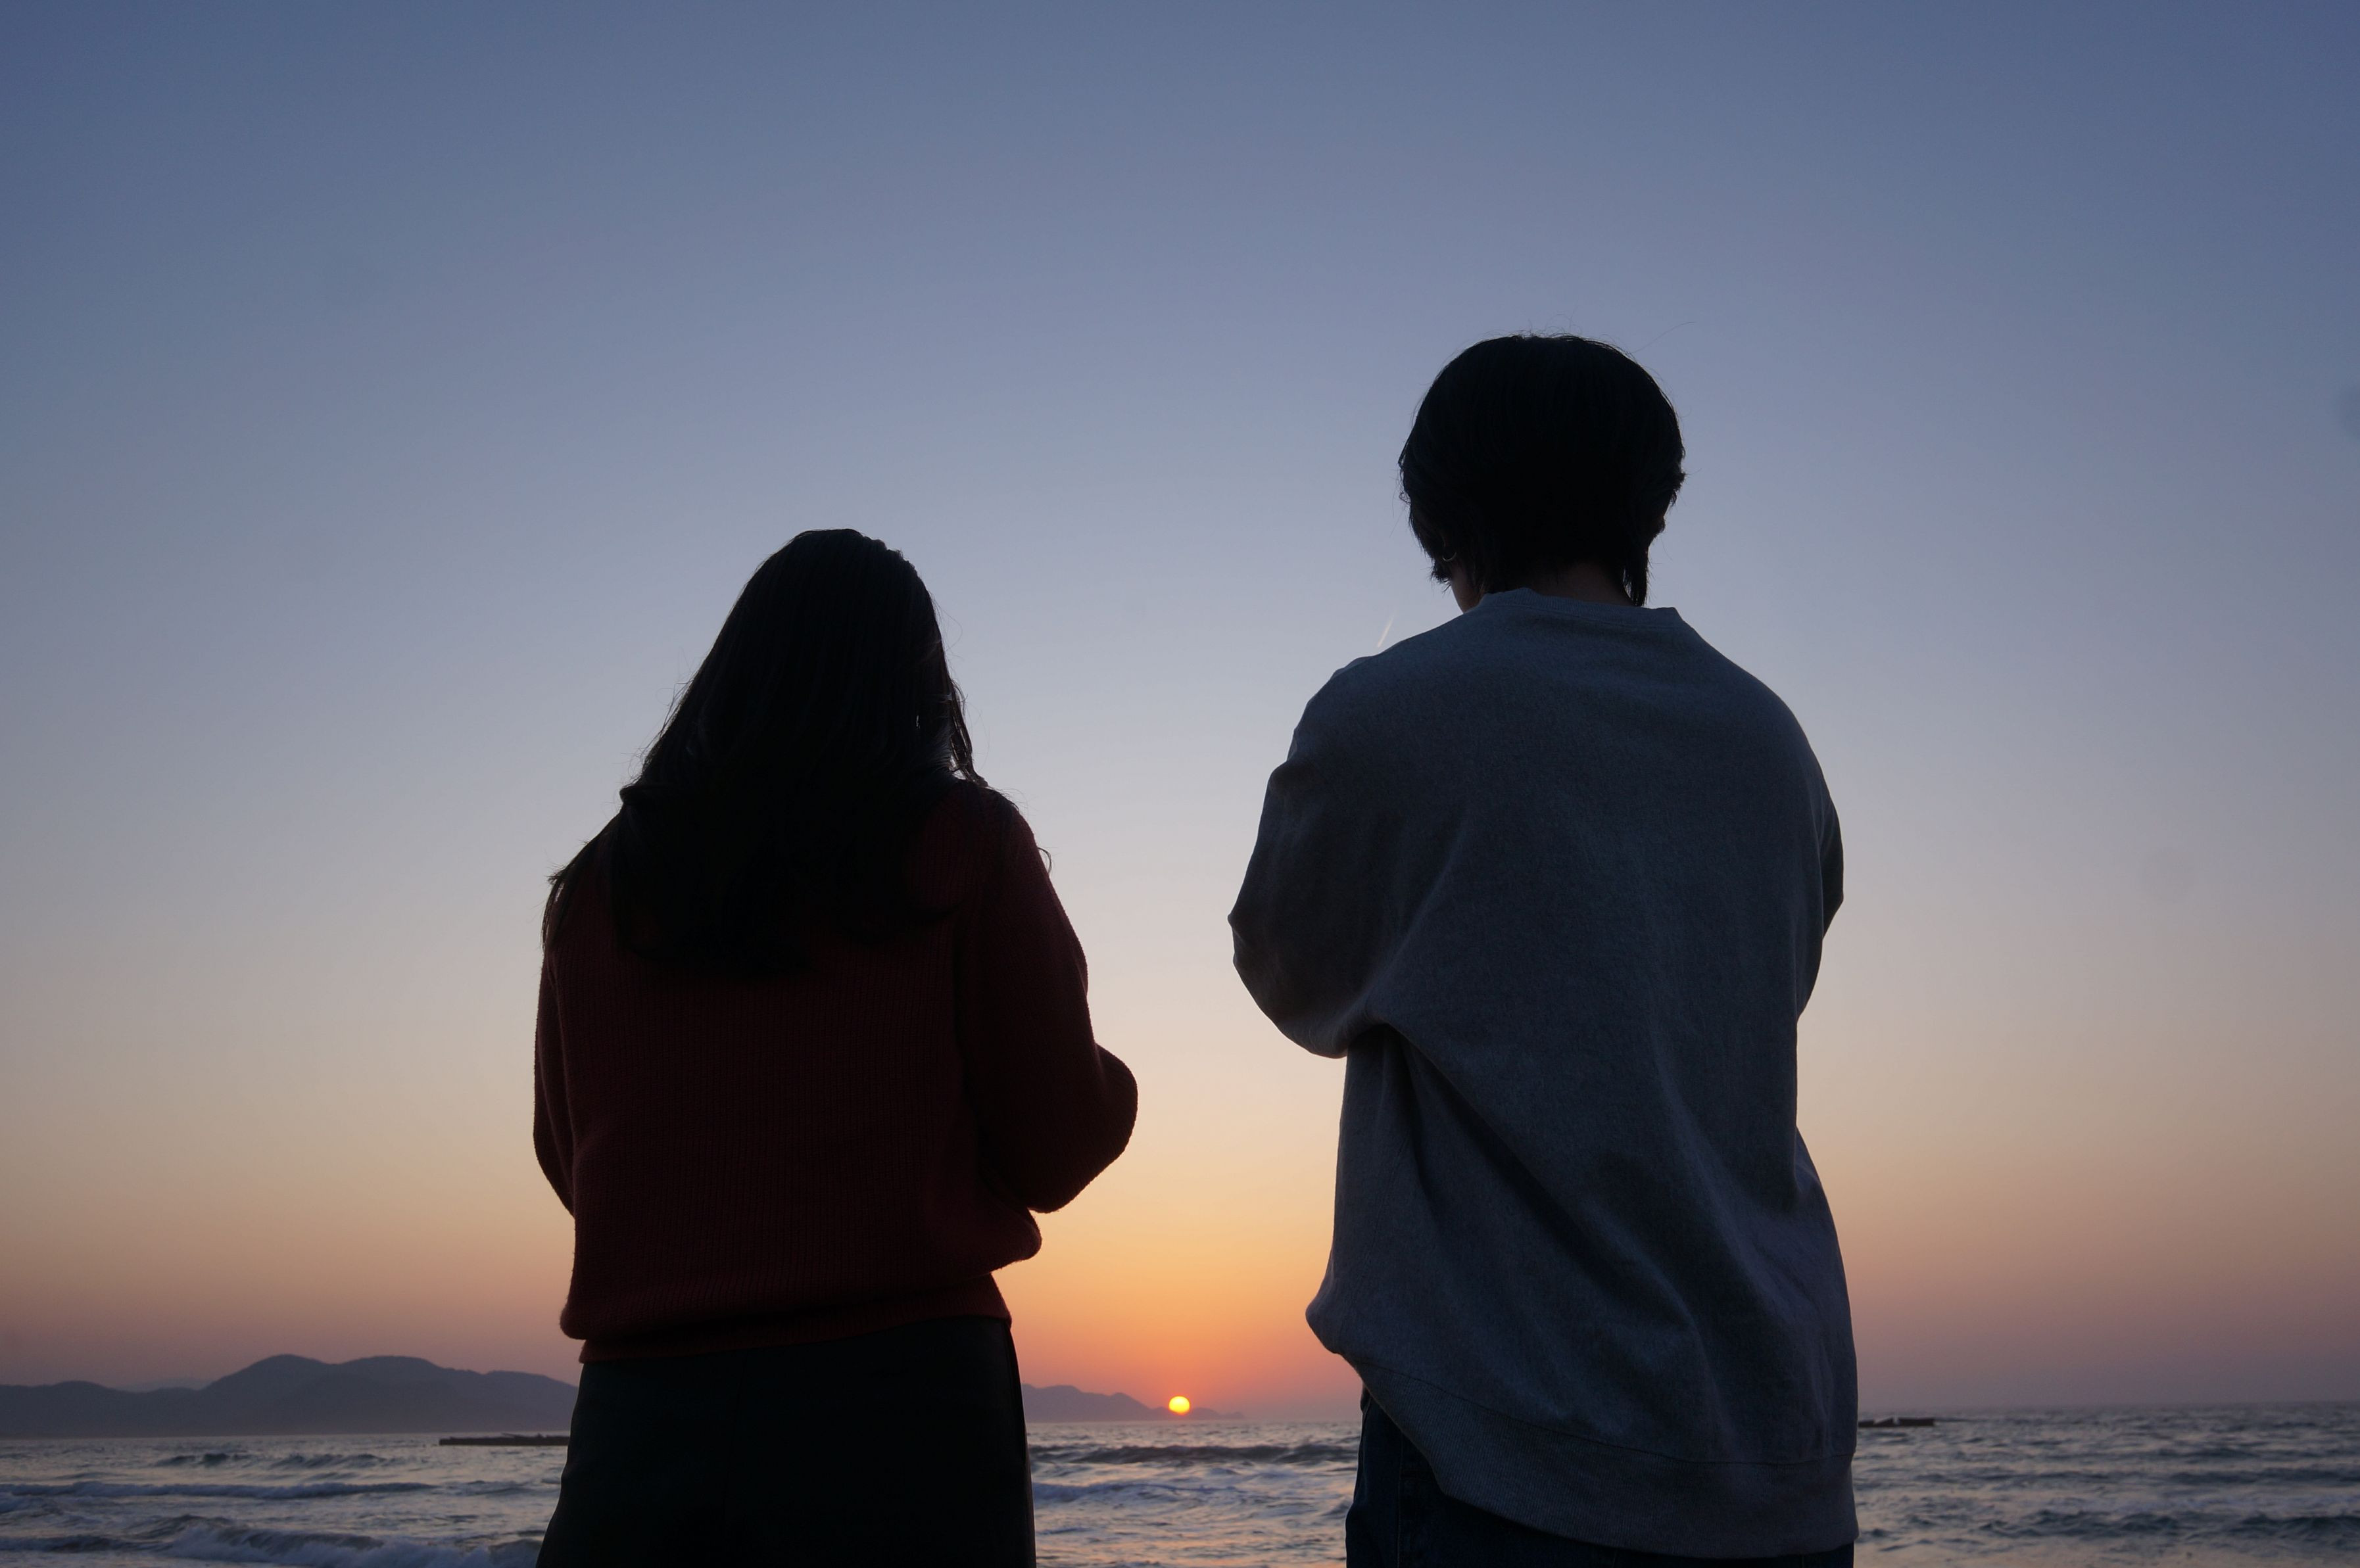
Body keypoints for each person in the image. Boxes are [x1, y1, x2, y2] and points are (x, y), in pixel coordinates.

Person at [1230, 335, 1856, 1566]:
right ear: (1650, 505)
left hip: (1506, 1444)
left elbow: (1286, 970)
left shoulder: (1392, 712)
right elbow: (1762, 997)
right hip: (1776, 1444)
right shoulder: (1769, 742)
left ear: (1437, 515)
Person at [533, 530, 1136, 1567]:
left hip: (642, 1417)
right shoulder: (960, 841)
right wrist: (1111, 1084)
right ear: (919, 685)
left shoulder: (603, 884)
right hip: (902, 1410)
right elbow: (1056, 1145)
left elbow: (573, 1157)